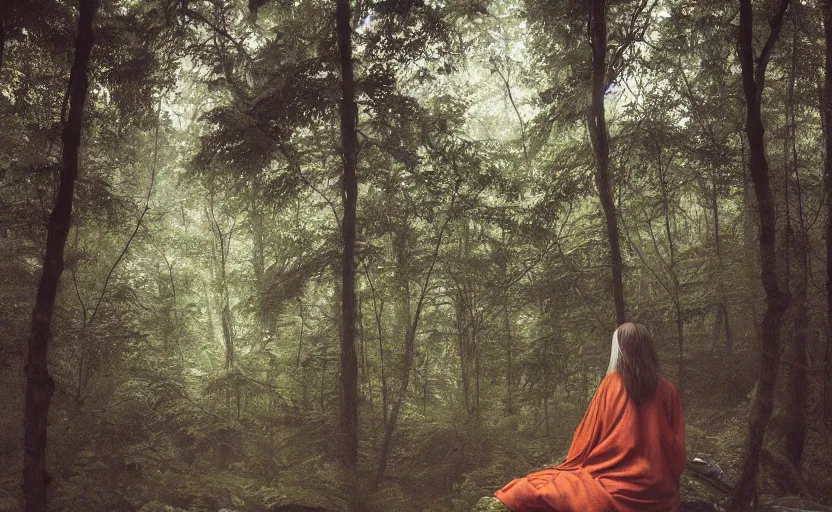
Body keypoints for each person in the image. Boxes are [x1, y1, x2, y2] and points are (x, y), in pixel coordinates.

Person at [494, 323, 686, 512]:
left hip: (616, 484)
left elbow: (588, 434)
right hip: (659, 489)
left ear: (623, 350)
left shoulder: (612, 384)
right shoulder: (668, 389)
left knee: (535, 486)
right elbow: (678, 451)